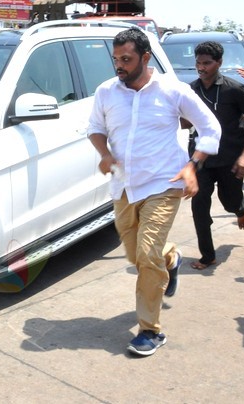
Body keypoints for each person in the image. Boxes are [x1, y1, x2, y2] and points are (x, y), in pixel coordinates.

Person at [87, 27, 220, 357]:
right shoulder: (106, 92)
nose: (119, 65)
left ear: (145, 58)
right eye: (116, 59)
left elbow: (210, 127)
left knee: (146, 255)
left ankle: (150, 330)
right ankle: (170, 258)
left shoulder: (172, 91)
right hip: (124, 185)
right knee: (137, 255)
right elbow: (95, 129)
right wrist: (104, 153)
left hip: (164, 182)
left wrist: (193, 164)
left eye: (126, 59)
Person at [187, 41, 244, 271]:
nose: (201, 67)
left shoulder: (234, 89)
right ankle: (207, 256)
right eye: (198, 63)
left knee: (229, 202)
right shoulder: (191, 90)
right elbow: (184, 120)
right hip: (203, 160)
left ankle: (239, 208)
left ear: (219, 63)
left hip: (230, 158)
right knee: (199, 207)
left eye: (207, 63)